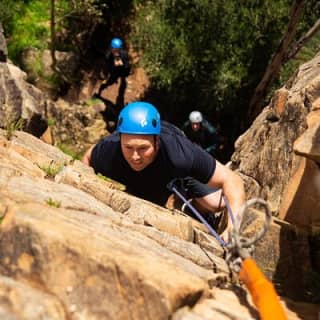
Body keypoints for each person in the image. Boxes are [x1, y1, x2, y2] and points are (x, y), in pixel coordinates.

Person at [82, 101, 246, 241]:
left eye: (143, 148)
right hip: (144, 179)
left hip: (175, 170)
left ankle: (188, 196)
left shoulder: (179, 153)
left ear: (157, 142)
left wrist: (233, 227)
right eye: (128, 147)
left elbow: (232, 180)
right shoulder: (109, 150)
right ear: (120, 139)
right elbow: (87, 160)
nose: (135, 156)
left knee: (216, 203)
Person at [95, 37, 131, 108]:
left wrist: (123, 65)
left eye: (118, 50)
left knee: (123, 83)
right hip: (114, 72)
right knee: (109, 82)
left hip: (122, 71)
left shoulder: (124, 54)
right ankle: (99, 91)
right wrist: (114, 66)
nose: (116, 52)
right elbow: (108, 67)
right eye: (115, 50)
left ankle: (120, 97)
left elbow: (128, 66)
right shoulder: (108, 56)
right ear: (111, 49)